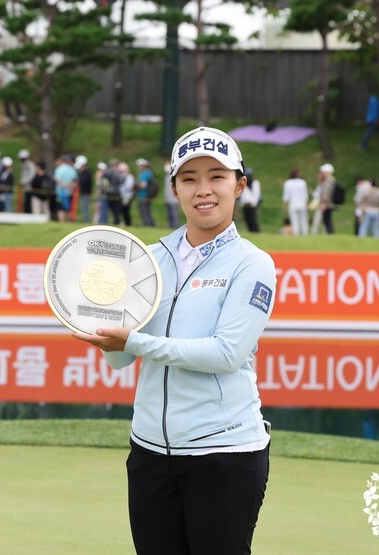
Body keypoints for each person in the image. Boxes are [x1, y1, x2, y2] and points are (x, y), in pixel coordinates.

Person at [73, 126, 274, 554]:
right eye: (189, 178)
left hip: (225, 454)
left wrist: (134, 342)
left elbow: (226, 354)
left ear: (239, 185)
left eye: (216, 176)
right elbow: (121, 362)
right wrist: (104, 329)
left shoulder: (253, 264)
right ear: (175, 189)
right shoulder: (147, 258)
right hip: (148, 453)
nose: (203, 189)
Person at [282, 168, 309, 236]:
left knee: (294, 220)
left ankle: (296, 234)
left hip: (293, 204)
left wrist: (284, 204)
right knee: (303, 220)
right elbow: (305, 195)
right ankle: (305, 234)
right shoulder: (302, 182)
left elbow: (286, 195)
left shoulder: (288, 183)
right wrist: (307, 204)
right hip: (301, 203)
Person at [311, 163, 335, 234]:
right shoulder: (327, 180)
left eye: (323, 172)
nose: (321, 173)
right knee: (325, 221)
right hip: (325, 204)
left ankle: (324, 234)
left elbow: (326, 194)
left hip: (324, 204)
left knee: (323, 221)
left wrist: (324, 203)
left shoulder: (328, 181)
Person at [238, 167, 261, 232]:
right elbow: (242, 195)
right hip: (245, 205)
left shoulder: (255, 183)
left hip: (252, 204)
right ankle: (251, 230)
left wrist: (254, 203)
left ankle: (256, 231)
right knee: (247, 219)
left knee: (253, 219)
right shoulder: (243, 183)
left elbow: (257, 193)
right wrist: (242, 203)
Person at [135, 158, 156, 227]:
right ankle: (148, 224)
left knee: (145, 211)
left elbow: (143, 185)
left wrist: (136, 186)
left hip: (144, 195)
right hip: (144, 195)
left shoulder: (145, 174)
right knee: (146, 211)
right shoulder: (147, 173)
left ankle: (148, 224)